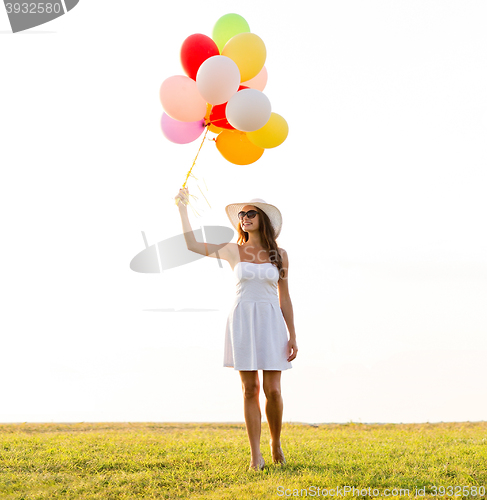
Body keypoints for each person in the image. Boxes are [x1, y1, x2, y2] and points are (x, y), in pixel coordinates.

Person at [175, 187, 298, 472]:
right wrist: (182, 208)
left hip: (270, 321)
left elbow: (285, 297)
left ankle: (275, 443)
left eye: (250, 213)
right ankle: (256, 455)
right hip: (242, 318)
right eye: (241, 214)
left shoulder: (280, 254)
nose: (244, 217)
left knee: (273, 391)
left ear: (263, 218)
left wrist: (292, 334)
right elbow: (191, 244)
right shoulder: (233, 250)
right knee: (249, 389)